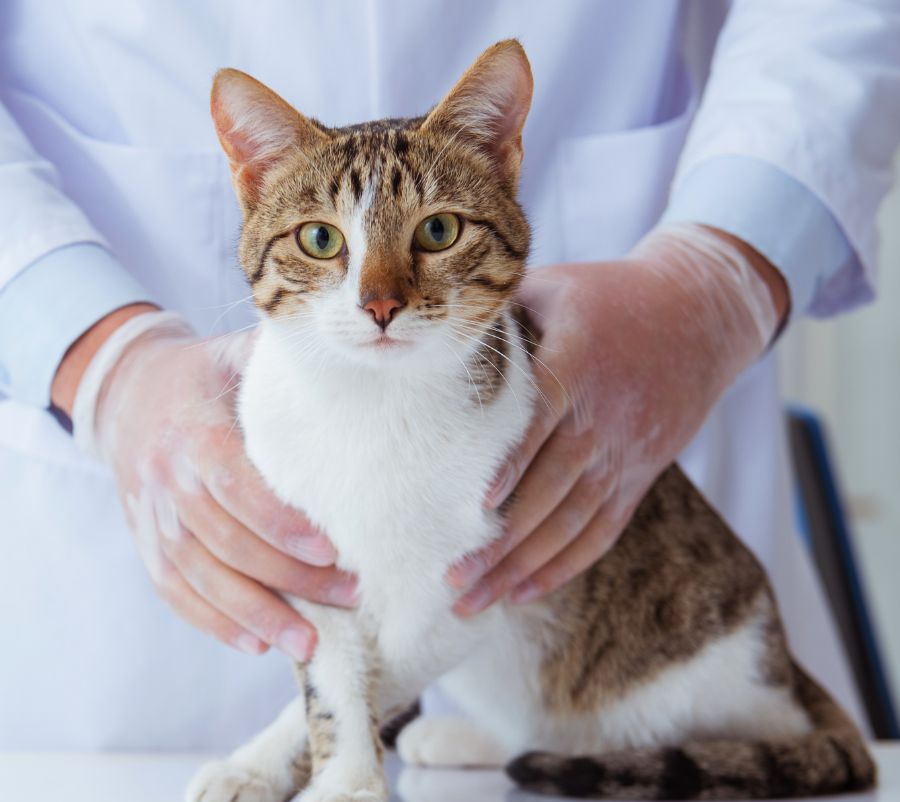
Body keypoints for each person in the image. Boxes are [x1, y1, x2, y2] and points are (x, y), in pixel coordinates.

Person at [1, 1, 898, 750]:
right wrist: (97, 358)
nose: (383, 297)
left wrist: (718, 275)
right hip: (128, 657)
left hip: (618, 578)